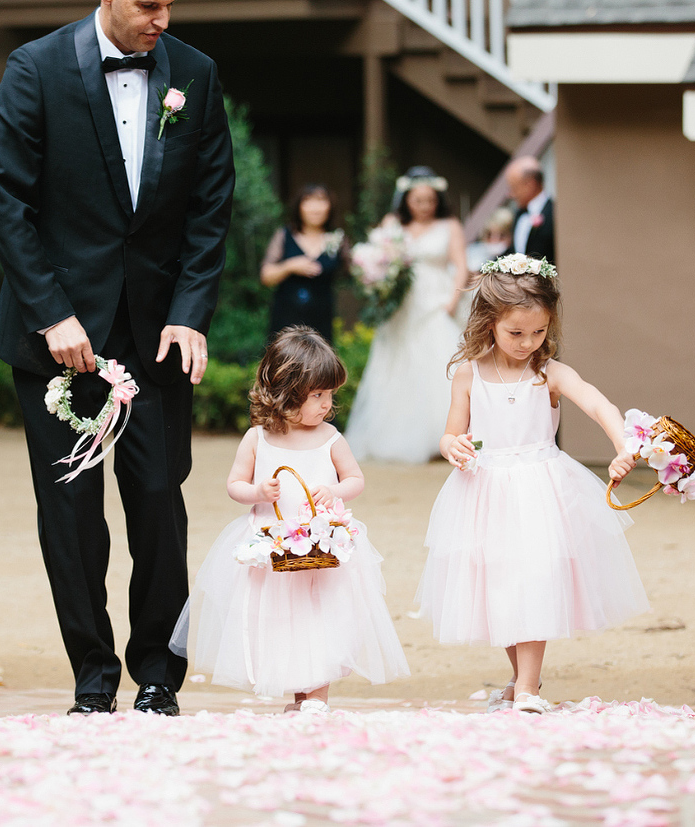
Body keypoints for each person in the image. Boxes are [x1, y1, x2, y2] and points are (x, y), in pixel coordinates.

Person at [0, 0, 235, 717]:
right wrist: (51, 313)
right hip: (58, 339)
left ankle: (159, 672)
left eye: (170, 6)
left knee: (159, 501)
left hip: (156, 335)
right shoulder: (35, 67)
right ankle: (92, 677)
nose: (161, 20)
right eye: (148, 5)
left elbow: (209, 205)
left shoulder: (195, 73)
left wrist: (189, 311)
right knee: (71, 513)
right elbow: (6, 194)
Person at [417, 255, 649, 713]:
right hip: (484, 490)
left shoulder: (550, 373)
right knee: (497, 584)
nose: (528, 343)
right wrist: (453, 447)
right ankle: (521, 681)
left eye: (539, 332)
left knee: (536, 578)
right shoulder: (468, 374)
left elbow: (600, 405)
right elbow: (450, 432)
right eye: (515, 333)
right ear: (489, 323)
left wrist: (625, 447)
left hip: (541, 489)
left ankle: (526, 687)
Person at [170, 327, 409, 710]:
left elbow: (355, 479)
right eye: (317, 395)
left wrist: (335, 491)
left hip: (320, 550)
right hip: (274, 549)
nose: (327, 404)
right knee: (282, 622)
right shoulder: (257, 438)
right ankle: (298, 693)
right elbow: (234, 485)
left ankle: (315, 696)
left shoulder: (330, 437)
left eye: (330, 395)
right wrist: (258, 492)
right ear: (285, 390)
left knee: (321, 618)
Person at [344, 167, 468, 463]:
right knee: (397, 365)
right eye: (418, 200)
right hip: (401, 304)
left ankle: (446, 434)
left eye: (430, 200)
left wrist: (453, 299)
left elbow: (461, 265)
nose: (425, 206)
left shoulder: (449, 225)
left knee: (440, 362)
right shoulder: (392, 224)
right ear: (405, 199)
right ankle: (398, 436)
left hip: (436, 300)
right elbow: (377, 259)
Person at [261, 184, 347, 345]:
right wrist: (289, 266)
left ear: (330, 206)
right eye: (309, 201)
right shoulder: (284, 235)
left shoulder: (338, 239)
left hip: (322, 320)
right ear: (299, 206)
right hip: (286, 319)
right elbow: (266, 276)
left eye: (321, 201)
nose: (315, 208)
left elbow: (354, 272)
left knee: (321, 366)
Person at [506, 156, 555, 266]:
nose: (510, 195)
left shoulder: (555, 213)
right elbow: (513, 251)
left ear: (530, 185)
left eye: (513, 188)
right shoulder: (519, 214)